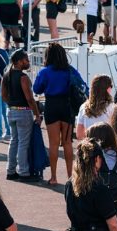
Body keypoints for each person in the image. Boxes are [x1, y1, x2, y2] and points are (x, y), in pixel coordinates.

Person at [32, 42, 82, 184]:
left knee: (53, 144)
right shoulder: (70, 70)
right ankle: (70, 177)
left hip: (51, 105)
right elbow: (81, 84)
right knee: (67, 143)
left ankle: (53, 177)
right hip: (67, 106)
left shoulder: (45, 71)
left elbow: (37, 89)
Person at [1, 50, 42, 182]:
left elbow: (3, 95)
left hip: (11, 111)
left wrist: (12, 104)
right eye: (26, 60)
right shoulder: (23, 77)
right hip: (23, 112)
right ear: (18, 62)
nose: (28, 62)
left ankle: (10, 171)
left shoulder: (6, 75)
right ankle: (24, 172)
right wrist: (37, 114)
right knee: (23, 143)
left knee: (14, 141)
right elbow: (30, 98)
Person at [75, 74, 114, 140]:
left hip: (89, 145)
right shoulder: (111, 107)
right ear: (108, 89)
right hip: (107, 146)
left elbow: (79, 135)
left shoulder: (83, 107)